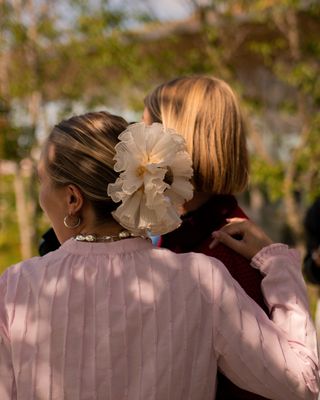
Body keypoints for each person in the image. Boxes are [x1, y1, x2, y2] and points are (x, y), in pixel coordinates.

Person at [0, 111, 318, 400]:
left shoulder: (17, 288)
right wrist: (277, 264)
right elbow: (302, 383)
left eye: (42, 181)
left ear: (73, 198)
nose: (41, 194)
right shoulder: (201, 279)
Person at [143, 75, 267, 399]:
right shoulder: (184, 232)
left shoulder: (225, 251)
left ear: (176, 142)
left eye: (145, 130)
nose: (133, 144)